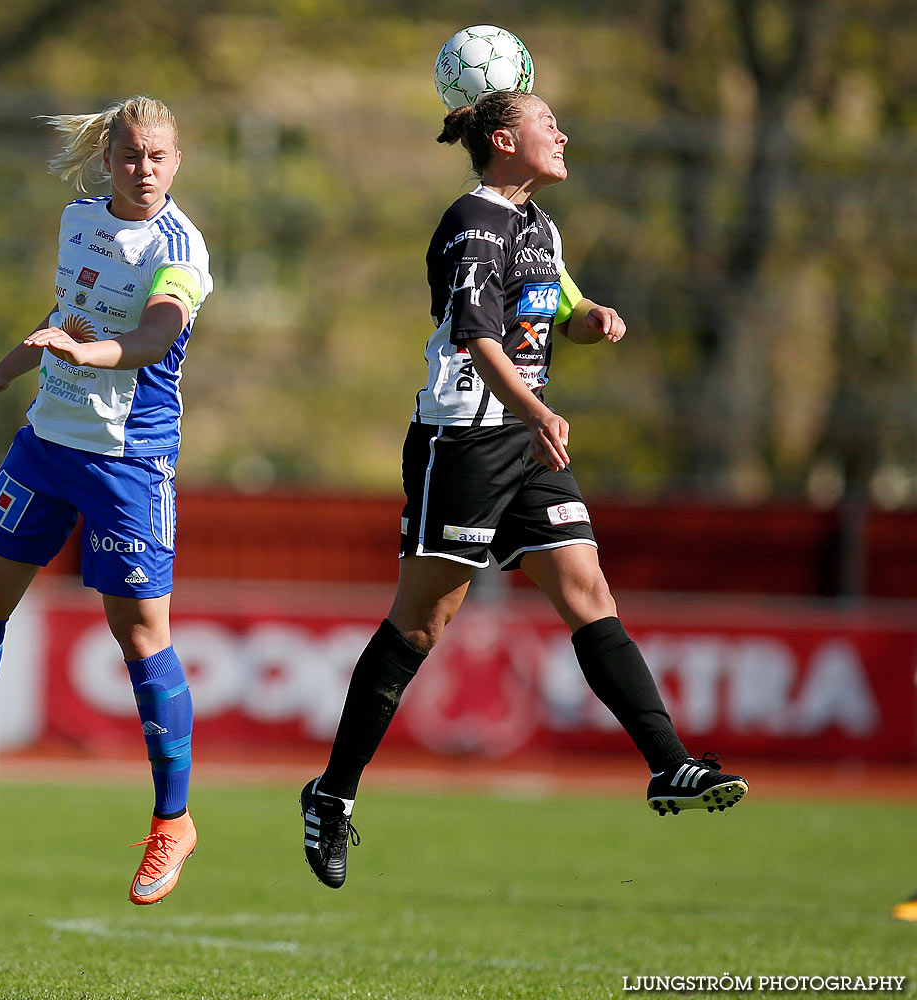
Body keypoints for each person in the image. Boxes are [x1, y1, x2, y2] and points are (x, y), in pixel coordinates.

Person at [298, 92, 749, 890]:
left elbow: (549, 317)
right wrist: (537, 407)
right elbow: (476, 336)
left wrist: (593, 317)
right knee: (423, 622)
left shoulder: (541, 225)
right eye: (548, 124)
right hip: (464, 442)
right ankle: (331, 795)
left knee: (588, 592)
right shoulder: (474, 223)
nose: (563, 133)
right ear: (505, 142)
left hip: (527, 439)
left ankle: (669, 765)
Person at [0, 96, 213, 907]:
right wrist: (1, 369)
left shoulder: (181, 249)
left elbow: (154, 335)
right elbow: (67, 315)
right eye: (131, 155)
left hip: (128, 460)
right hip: (46, 444)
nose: (144, 169)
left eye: (158, 156)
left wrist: (83, 351)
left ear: (177, 159)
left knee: (138, 635)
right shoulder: (79, 219)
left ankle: (174, 820)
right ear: (109, 159)